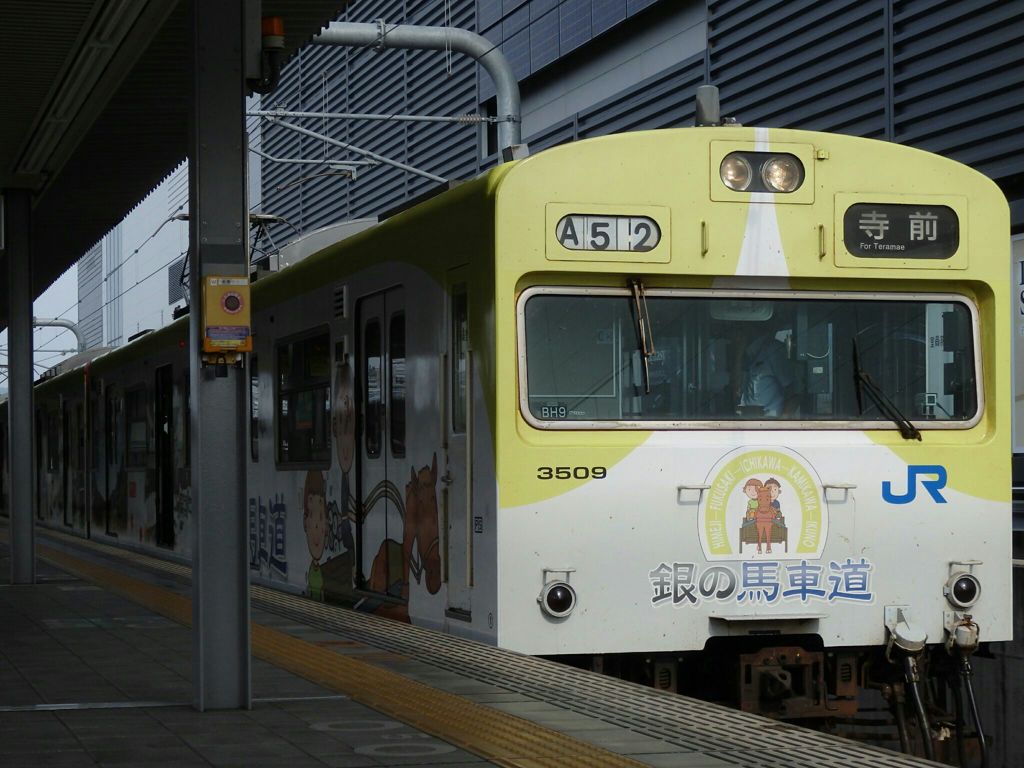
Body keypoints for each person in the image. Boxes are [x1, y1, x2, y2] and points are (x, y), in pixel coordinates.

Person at [736, 327, 795, 417]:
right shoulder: (748, 353)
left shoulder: (774, 350)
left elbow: (793, 392)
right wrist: (739, 352)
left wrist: (782, 423)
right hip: (749, 419)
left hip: (770, 421)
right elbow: (736, 385)